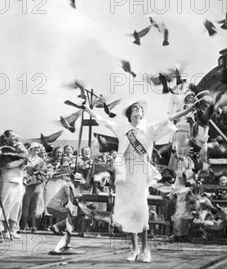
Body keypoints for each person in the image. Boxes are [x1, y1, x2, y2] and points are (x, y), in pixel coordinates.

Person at [83, 94, 209, 263]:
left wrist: (190, 109)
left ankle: (145, 249)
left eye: (140, 108)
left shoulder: (150, 128)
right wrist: (87, 109)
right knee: (130, 211)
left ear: (142, 114)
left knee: (141, 210)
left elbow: (170, 118)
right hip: (126, 174)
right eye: (135, 107)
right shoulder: (122, 129)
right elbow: (103, 120)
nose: (138, 109)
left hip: (141, 175)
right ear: (130, 112)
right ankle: (134, 249)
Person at [46, 172, 86, 252]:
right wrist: (82, 206)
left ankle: (57, 227)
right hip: (54, 206)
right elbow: (71, 198)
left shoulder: (70, 186)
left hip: (57, 206)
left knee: (72, 216)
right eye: (77, 182)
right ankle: (56, 227)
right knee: (71, 216)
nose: (78, 184)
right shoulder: (67, 186)